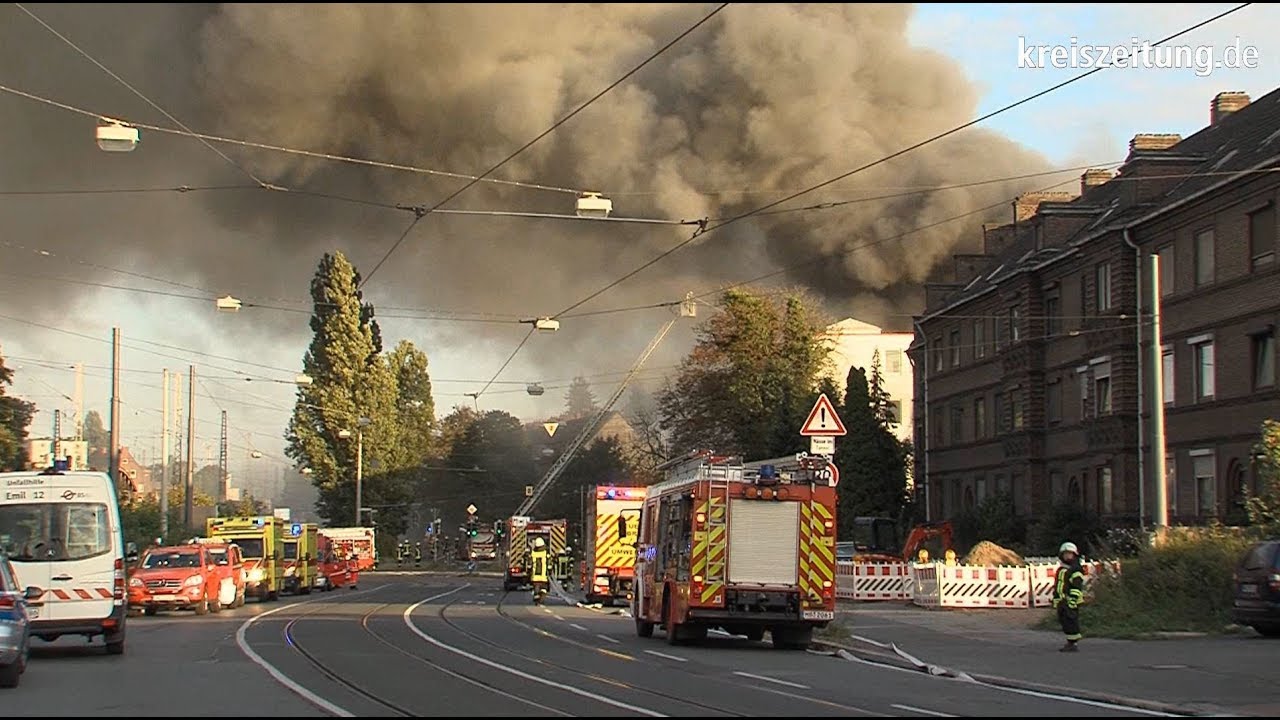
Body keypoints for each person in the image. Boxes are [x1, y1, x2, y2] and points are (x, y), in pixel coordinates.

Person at [1052, 541, 1086, 652]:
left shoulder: (1075, 569)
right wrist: (1056, 599)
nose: (1067, 556)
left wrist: (1073, 600)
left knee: (1071, 621)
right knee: (1064, 622)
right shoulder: (1063, 569)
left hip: (1070, 601)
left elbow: (1077, 587)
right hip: (1062, 601)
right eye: (1065, 554)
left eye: (1069, 554)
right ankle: (1070, 641)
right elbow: (1059, 585)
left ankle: (1073, 643)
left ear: (1074, 555)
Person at [530, 537, 549, 602]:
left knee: (536, 586)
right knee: (544, 588)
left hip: (535, 576)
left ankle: (536, 596)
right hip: (544, 576)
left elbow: (531, 564)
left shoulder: (533, 553)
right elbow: (549, 564)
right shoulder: (546, 553)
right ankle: (541, 596)